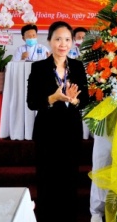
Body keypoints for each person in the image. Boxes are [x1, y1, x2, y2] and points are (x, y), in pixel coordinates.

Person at [27, 21, 89, 222]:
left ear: (72, 42)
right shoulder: (39, 68)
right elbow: (32, 102)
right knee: (47, 179)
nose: (63, 44)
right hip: (47, 131)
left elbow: (86, 100)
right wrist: (53, 98)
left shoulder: (78, 67)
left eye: (67, 39)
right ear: (49, 41)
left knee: (69, 178)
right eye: (58, 39)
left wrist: (74, 99)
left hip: (71, 130)